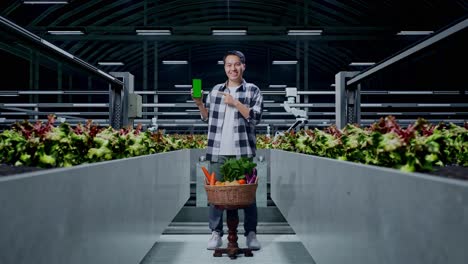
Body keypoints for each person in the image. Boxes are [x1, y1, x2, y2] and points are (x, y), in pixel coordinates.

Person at [192, 50, 263, 250]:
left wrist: (235, 103)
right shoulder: (215, 91)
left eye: (236, 64)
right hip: (217, 151)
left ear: (243, 66)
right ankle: (216, 233)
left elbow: (256, 118)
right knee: (215, 196)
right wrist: (199, 104)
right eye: (228, 65)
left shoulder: (253, 90)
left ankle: (251, 233)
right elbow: (207, 118)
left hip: (244, 152)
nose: (232, 68)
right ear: (225, 68)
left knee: (248, 195)